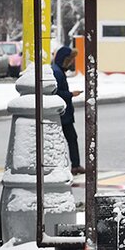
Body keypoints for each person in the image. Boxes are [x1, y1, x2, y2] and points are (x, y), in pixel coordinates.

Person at [52, 45, 84, 175]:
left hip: (63, 113)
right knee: (68, 139)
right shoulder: (57, 72)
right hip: (62, 114)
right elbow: (56, 93)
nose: (71, 63)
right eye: (69, 60)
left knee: (69, 139)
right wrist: (71, 94)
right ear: (63, 60)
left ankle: (75, 165)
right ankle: (73, 166)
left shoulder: (58, 70)